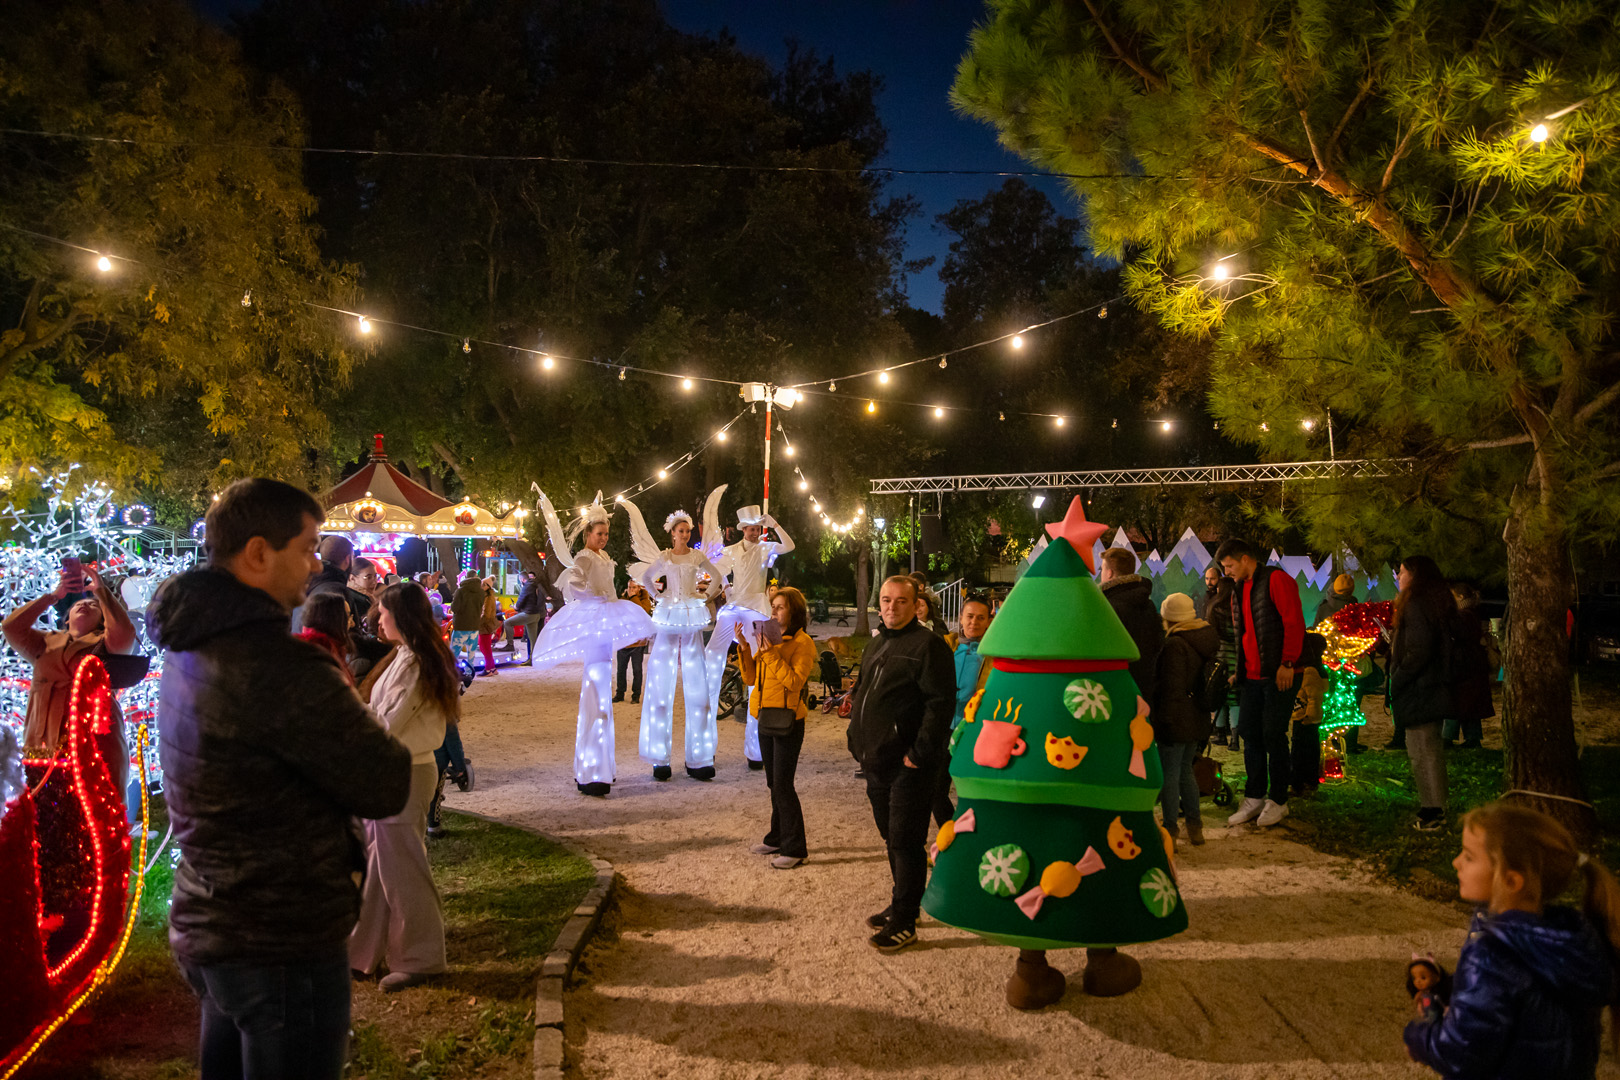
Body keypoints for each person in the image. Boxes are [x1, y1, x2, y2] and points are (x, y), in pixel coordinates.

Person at [149, 477, 411, 1079]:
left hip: (211, 914)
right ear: (258, 553)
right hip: (280, 932)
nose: (317, 564)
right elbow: (385, 781)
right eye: (309, 547)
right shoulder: (283, 668)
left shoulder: (190, 647)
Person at [1404, 802, 1620, 1079]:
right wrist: (1448, 989)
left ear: (1511, 881)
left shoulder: (1492, 953)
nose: (1456, 862)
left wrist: (1418, 1036)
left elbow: (1460, 1052)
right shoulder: (1574, 938)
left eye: (1469, 857)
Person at [350, 582, 458, 990]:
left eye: (383, 612)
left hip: (406, 771)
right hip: (395, 770)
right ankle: (361, 952)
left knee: (403, 869)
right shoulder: (406, 657)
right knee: (381, 865)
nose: (378, 620)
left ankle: (421, 957)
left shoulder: (416, 663)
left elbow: (388, 722)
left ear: (401, 616)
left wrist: (346, 719)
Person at [846, 575, 955, 953]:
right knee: (890, 836)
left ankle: (906, 920)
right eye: (886, 600)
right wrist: (855, 738)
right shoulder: (877, 643)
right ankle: (902, 903)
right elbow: (862, 690)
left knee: (906, 840)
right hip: (876, 759)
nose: (892, 607)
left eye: (901, 601)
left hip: (909, 764)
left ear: (915, 604)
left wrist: (918, 754)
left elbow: (940, 705)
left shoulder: (928, 646)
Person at [530, 492, 657, 796]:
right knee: (595, 694)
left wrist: (606, 601)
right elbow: (574, 585)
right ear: (588, 533)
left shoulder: (602, 557)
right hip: (596, 621)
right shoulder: (584, 557)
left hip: (606, 620)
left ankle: (599, 767)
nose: (604, 538)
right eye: (599, 533)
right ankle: (592, 770)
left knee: (601, 693)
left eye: (606, 534)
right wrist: (593, 598)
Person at [4, 562, 139, 793]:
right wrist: (53, 597)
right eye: (78, 604)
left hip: (94, 749)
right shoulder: (45, 642)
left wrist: (100, 591)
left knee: (95, 809)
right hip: (41, 748)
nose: (85, 604)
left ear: (102, 619)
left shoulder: (107, 644)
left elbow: (125, 632)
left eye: (93, 606)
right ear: (66, 619)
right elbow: (11, 627)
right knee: (43, 810)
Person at [623, 500, 724, 781]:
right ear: (672, 533)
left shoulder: (697, 556)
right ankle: (660, 758)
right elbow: (647, 577)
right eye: (681, 531)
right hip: (669, 617)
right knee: (660, 684)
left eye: (688, 530)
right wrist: (658, 596)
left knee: (697, 683)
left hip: (691, 615)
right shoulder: (665, 557)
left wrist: (704, 595)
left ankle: (699, 757)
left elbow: (717, 577)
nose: (685, 534)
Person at [1217, 538, 1305, 829]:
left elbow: (1293, 622)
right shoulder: (1239, 588)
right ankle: (1254, 795)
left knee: (1273, 733)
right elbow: (1243, 634)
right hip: (1252, 677)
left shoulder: (1276, 580)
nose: (1227, 572)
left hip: (1279, 673)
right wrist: (1239, 671)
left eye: (1229, 565)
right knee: (1249, 732)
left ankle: (1278, 799)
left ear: (1245, 558)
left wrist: (1288, 662)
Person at [706, 500, 796, 769]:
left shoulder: (766, 548)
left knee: (759, 668)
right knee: (712, 654)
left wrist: (774, 524)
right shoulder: (731, 550)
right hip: (735, 607)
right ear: (743, 529)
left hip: (757, 609)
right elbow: (715, 570)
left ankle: (756, 750)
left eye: (758, 528)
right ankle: (704, 739)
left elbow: (789, 545)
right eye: (751, 528)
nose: (755, 532)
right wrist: (723, 587)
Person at [734, 586, 816, 869]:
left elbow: (794, 682)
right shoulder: (769, 638)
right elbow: (751, 679)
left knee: (783, 784)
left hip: (788, 719)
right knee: (773, 783)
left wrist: (770, 655)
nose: (774, 612)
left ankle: (795, 848)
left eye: (780, 607)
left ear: (794, 612)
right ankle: (777, 837)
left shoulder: (803, 643)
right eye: (773, 607)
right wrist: (745, 647)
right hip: (765, 716)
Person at [1390, 555, 1455, 832]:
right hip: (1431, 685)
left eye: (1402, 572)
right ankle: (1434, 805)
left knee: (1422, 750)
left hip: (1419, 688)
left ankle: (1433, 811)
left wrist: (1398, 678)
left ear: (1415, 575)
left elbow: (1419, 649)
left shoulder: (1416, 603)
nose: (1398, 577)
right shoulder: (1435, 601)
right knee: (1428, 749)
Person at [1153, 592, 1218, 847]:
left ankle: (1170, 828)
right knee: (1185, 771)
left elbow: (1172, 688)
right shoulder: (1203, 638)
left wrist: (1164, 720)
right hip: (1197, 717)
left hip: (1176, 718)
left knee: (1169, 774)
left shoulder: (1175, 645)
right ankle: (1194, 826)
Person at [935, 594, 992, 826]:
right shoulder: (944, 646)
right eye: (969, 616)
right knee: (936, 789)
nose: (974, 622)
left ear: (989, 621)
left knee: (972, 790)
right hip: (943, 727)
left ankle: (974, 834)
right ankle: (951, 832)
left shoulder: (994, 654)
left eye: (980, 617)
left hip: (974, 731)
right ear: (960, 618)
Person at [1098, 546, 1163, 703]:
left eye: (1102, 569)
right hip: (1145, 688)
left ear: (1109, 573)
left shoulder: (1107, 607)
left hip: (1115, 690)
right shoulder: (1148, 604)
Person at [1444, 582, 1495, 750]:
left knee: (1457, 701)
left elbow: (1457, 632)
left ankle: (1449, 737)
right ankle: (1472, 737)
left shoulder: (1464, 616)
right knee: (1470, 704)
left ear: (1460, 597)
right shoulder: (1471, 613)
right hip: (1471, 665)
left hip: (1464, 665)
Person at [1203, 567, 1240, 751]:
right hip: (1235, 654)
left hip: (1219, 654)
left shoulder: (1214, 608)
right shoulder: (1238, 608)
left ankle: (1219, 734)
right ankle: (1235, 738)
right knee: (1234, 698)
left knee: (1218, 694)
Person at [296, 591, 355, 682]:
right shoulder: (321, 654)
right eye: (346, 616)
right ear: (334, 619)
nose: (352, 624)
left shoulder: (309, 649)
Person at [615, 581, 654, 703]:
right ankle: (620, 693)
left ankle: (636, 695)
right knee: (621, 670)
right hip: (624, 641)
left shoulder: (644, 600)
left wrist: (633, 597)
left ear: (639, 588)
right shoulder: (623, 600)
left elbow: (643, 612)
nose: (631, 589)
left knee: (637, 670)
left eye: (634, 587)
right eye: (629, 587)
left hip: (638, 642)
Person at [501, 570, 545, 665]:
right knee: (533, 639)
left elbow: (519, 603)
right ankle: (532, 659)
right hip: (536, 614)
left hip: (528, 614)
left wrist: (514, 606)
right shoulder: (536, 584)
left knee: (507, 623)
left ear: (522, 579)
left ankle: (510, 644)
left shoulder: (527, 586)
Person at [449, 572, 483, 672]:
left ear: (466, 577)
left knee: (455, 652)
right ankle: (469, 672)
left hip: (461, 625)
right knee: (471, 652)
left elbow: (455, 608)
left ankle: (452, 672)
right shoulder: (481, 591)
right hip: (475, 625)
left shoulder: (461, 591)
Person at [474, 576, 501, 676]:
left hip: (485, 625)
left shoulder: (488, 598)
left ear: (487, 586)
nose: (481, 586)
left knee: (484, 647)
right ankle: (492, 668)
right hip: (486, 624)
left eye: (483, 584)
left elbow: (486, 614)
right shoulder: (487, 596)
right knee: (485, 647)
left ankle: (488, 669)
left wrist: (478, 623)